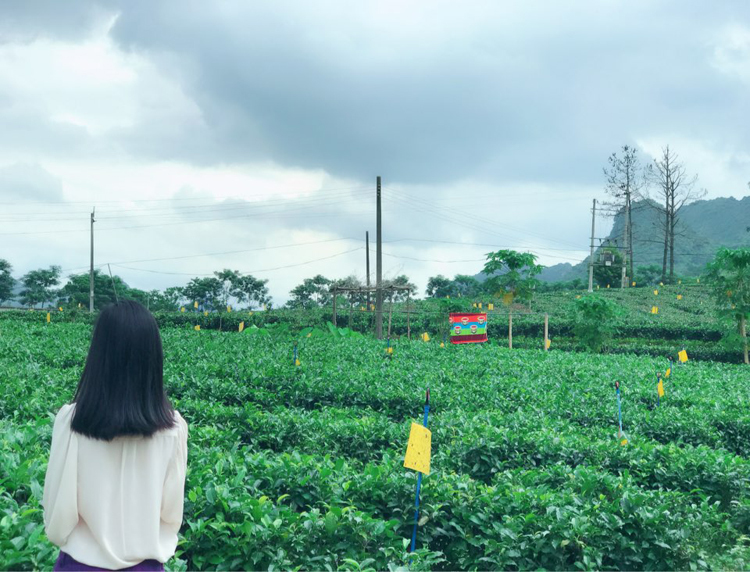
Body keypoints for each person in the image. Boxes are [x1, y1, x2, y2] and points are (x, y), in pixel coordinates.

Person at [43, 300, 188, 571]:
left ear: (99, 354)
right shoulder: (174, 429)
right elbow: (170, 515)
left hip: (80, 565)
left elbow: (57, 514)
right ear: (152, 357)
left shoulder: (71, 421)